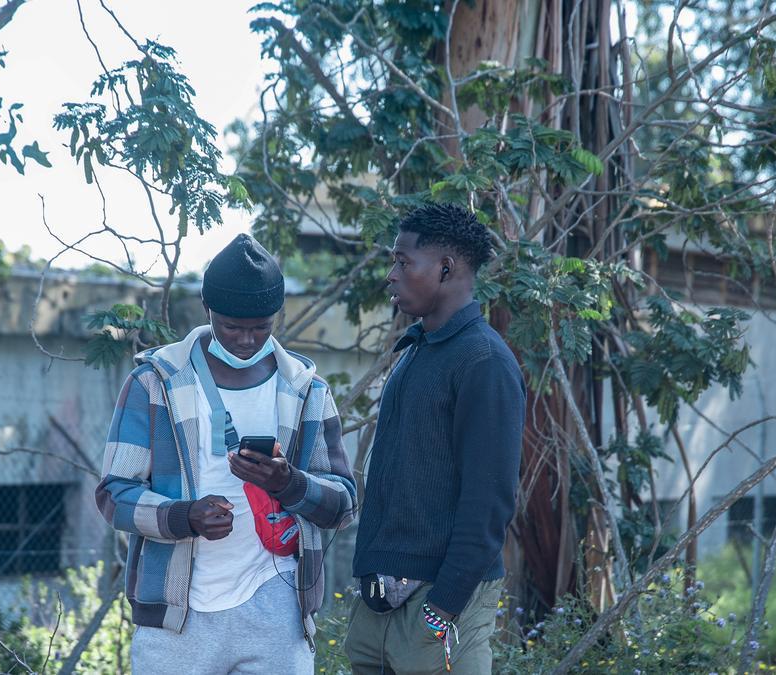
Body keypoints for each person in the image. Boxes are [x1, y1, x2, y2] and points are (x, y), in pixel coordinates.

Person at [95, 233, 356, 675]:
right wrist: (185, 516)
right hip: (175, 616)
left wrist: (288, 483)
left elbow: (343, 504)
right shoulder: (154, 384)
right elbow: (114, 495)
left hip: (276, 608)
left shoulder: (306, 390)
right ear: (207, 307)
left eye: (261, 327)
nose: (246, 340)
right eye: (233, 326)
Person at [345, 203, 526, 675]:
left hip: (441, 601)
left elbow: (489, 502)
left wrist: (443, 606)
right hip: (379, 601)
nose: (391, 275)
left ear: (445, 269)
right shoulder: (416, 349)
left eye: (403, 263)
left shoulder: (484, 361)